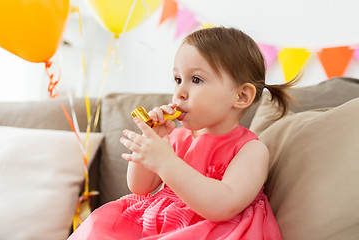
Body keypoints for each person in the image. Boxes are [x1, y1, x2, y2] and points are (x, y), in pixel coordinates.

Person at [68, 26, 298, 240]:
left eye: (196, 79)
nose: (179, 92)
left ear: (241, 97)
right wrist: (154, 142)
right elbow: (138, 187)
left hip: (212, 229)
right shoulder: (176, 138)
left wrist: (166, 162)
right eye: (178, 79)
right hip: (160, 221)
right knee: (100, 225)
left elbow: (223, 205)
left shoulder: (250, 149)